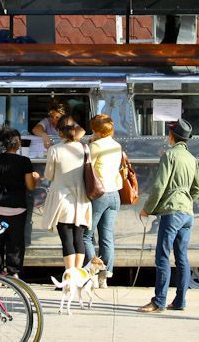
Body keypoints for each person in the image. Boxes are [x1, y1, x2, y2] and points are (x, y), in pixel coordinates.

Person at [138, 118, 199, 313]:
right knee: (182, 257)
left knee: (163, 257)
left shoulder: (169, 155)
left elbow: (159, 186)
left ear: (172, 136)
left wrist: (147, 209)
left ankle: (159, 301)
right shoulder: (192, 158)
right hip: (187, 213)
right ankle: (180, 301)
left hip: (172, 212)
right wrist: (185, 199)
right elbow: (197, 189)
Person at [0, 128, 39, 277]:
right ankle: (14, 273)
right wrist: (36, 178)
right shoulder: (24, 161)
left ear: (2, 143)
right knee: (15, 242)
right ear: (18, 144)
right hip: (17, 208)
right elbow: (30, 186)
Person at [40, 116, 92, 271]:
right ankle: (78, 274)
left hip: (62, 198)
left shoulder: (54, 150)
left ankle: (69, 273)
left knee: (67, 239)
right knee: (78, 238)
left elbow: (49, 175)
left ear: (59, 133)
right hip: (81, 198)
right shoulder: (84, 148)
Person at [82, 114, 123, 288]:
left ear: (95, 130)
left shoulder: (95, 146)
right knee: (107, 238)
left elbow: (87, 166)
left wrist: (90, 143)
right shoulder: (117, 145)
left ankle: (93, 272)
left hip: (99, 194)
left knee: (86, 236)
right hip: (115, 194)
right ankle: (104, 277)